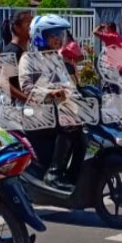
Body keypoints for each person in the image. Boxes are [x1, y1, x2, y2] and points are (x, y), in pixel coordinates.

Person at [25, 14, 79, 190]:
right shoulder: (29, 59)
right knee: (69, 126)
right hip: (34, 113)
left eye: (60, 34)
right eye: (53, 34)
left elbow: (67, 84)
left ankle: (72, 174)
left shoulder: (56, 59)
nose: (58, 38)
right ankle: (53, 174)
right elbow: (27, 89)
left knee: (82, 132)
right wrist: (51, 92)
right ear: (40, 36)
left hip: (54, 111)